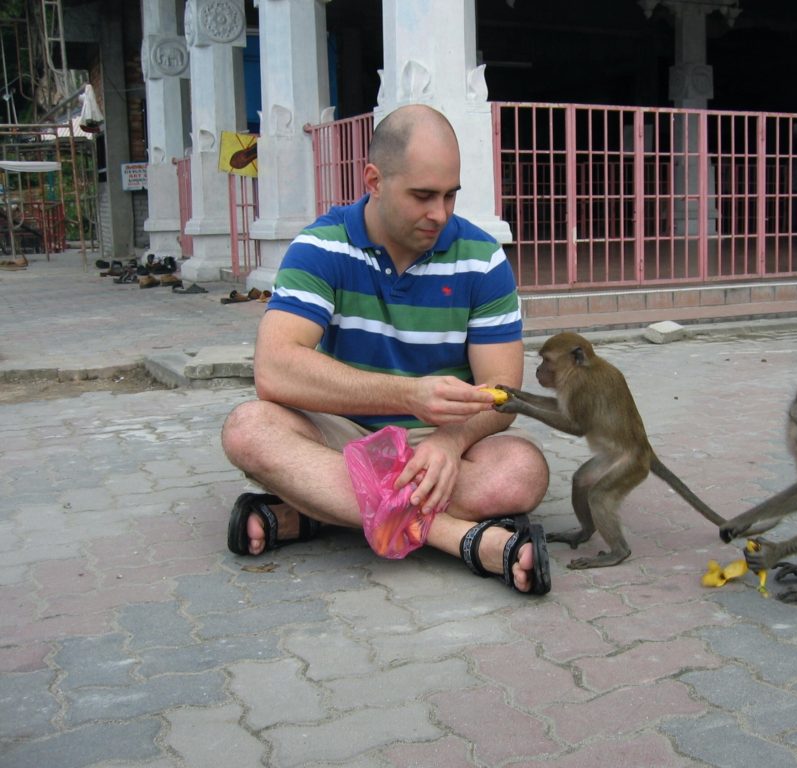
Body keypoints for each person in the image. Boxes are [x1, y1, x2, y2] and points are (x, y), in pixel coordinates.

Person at [220, 104, 552, 595]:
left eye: (449, 196)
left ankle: (313, 515)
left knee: (522, 471)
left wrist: (451, 442)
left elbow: (502, 393)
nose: (439, 214)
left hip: (435, 445)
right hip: (345, 438)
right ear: (373, 180)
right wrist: (407, 396)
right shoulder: (322, 247)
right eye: (422, 196)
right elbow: (275, 370)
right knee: (248, 429)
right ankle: (461, 538)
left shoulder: (482, 260)